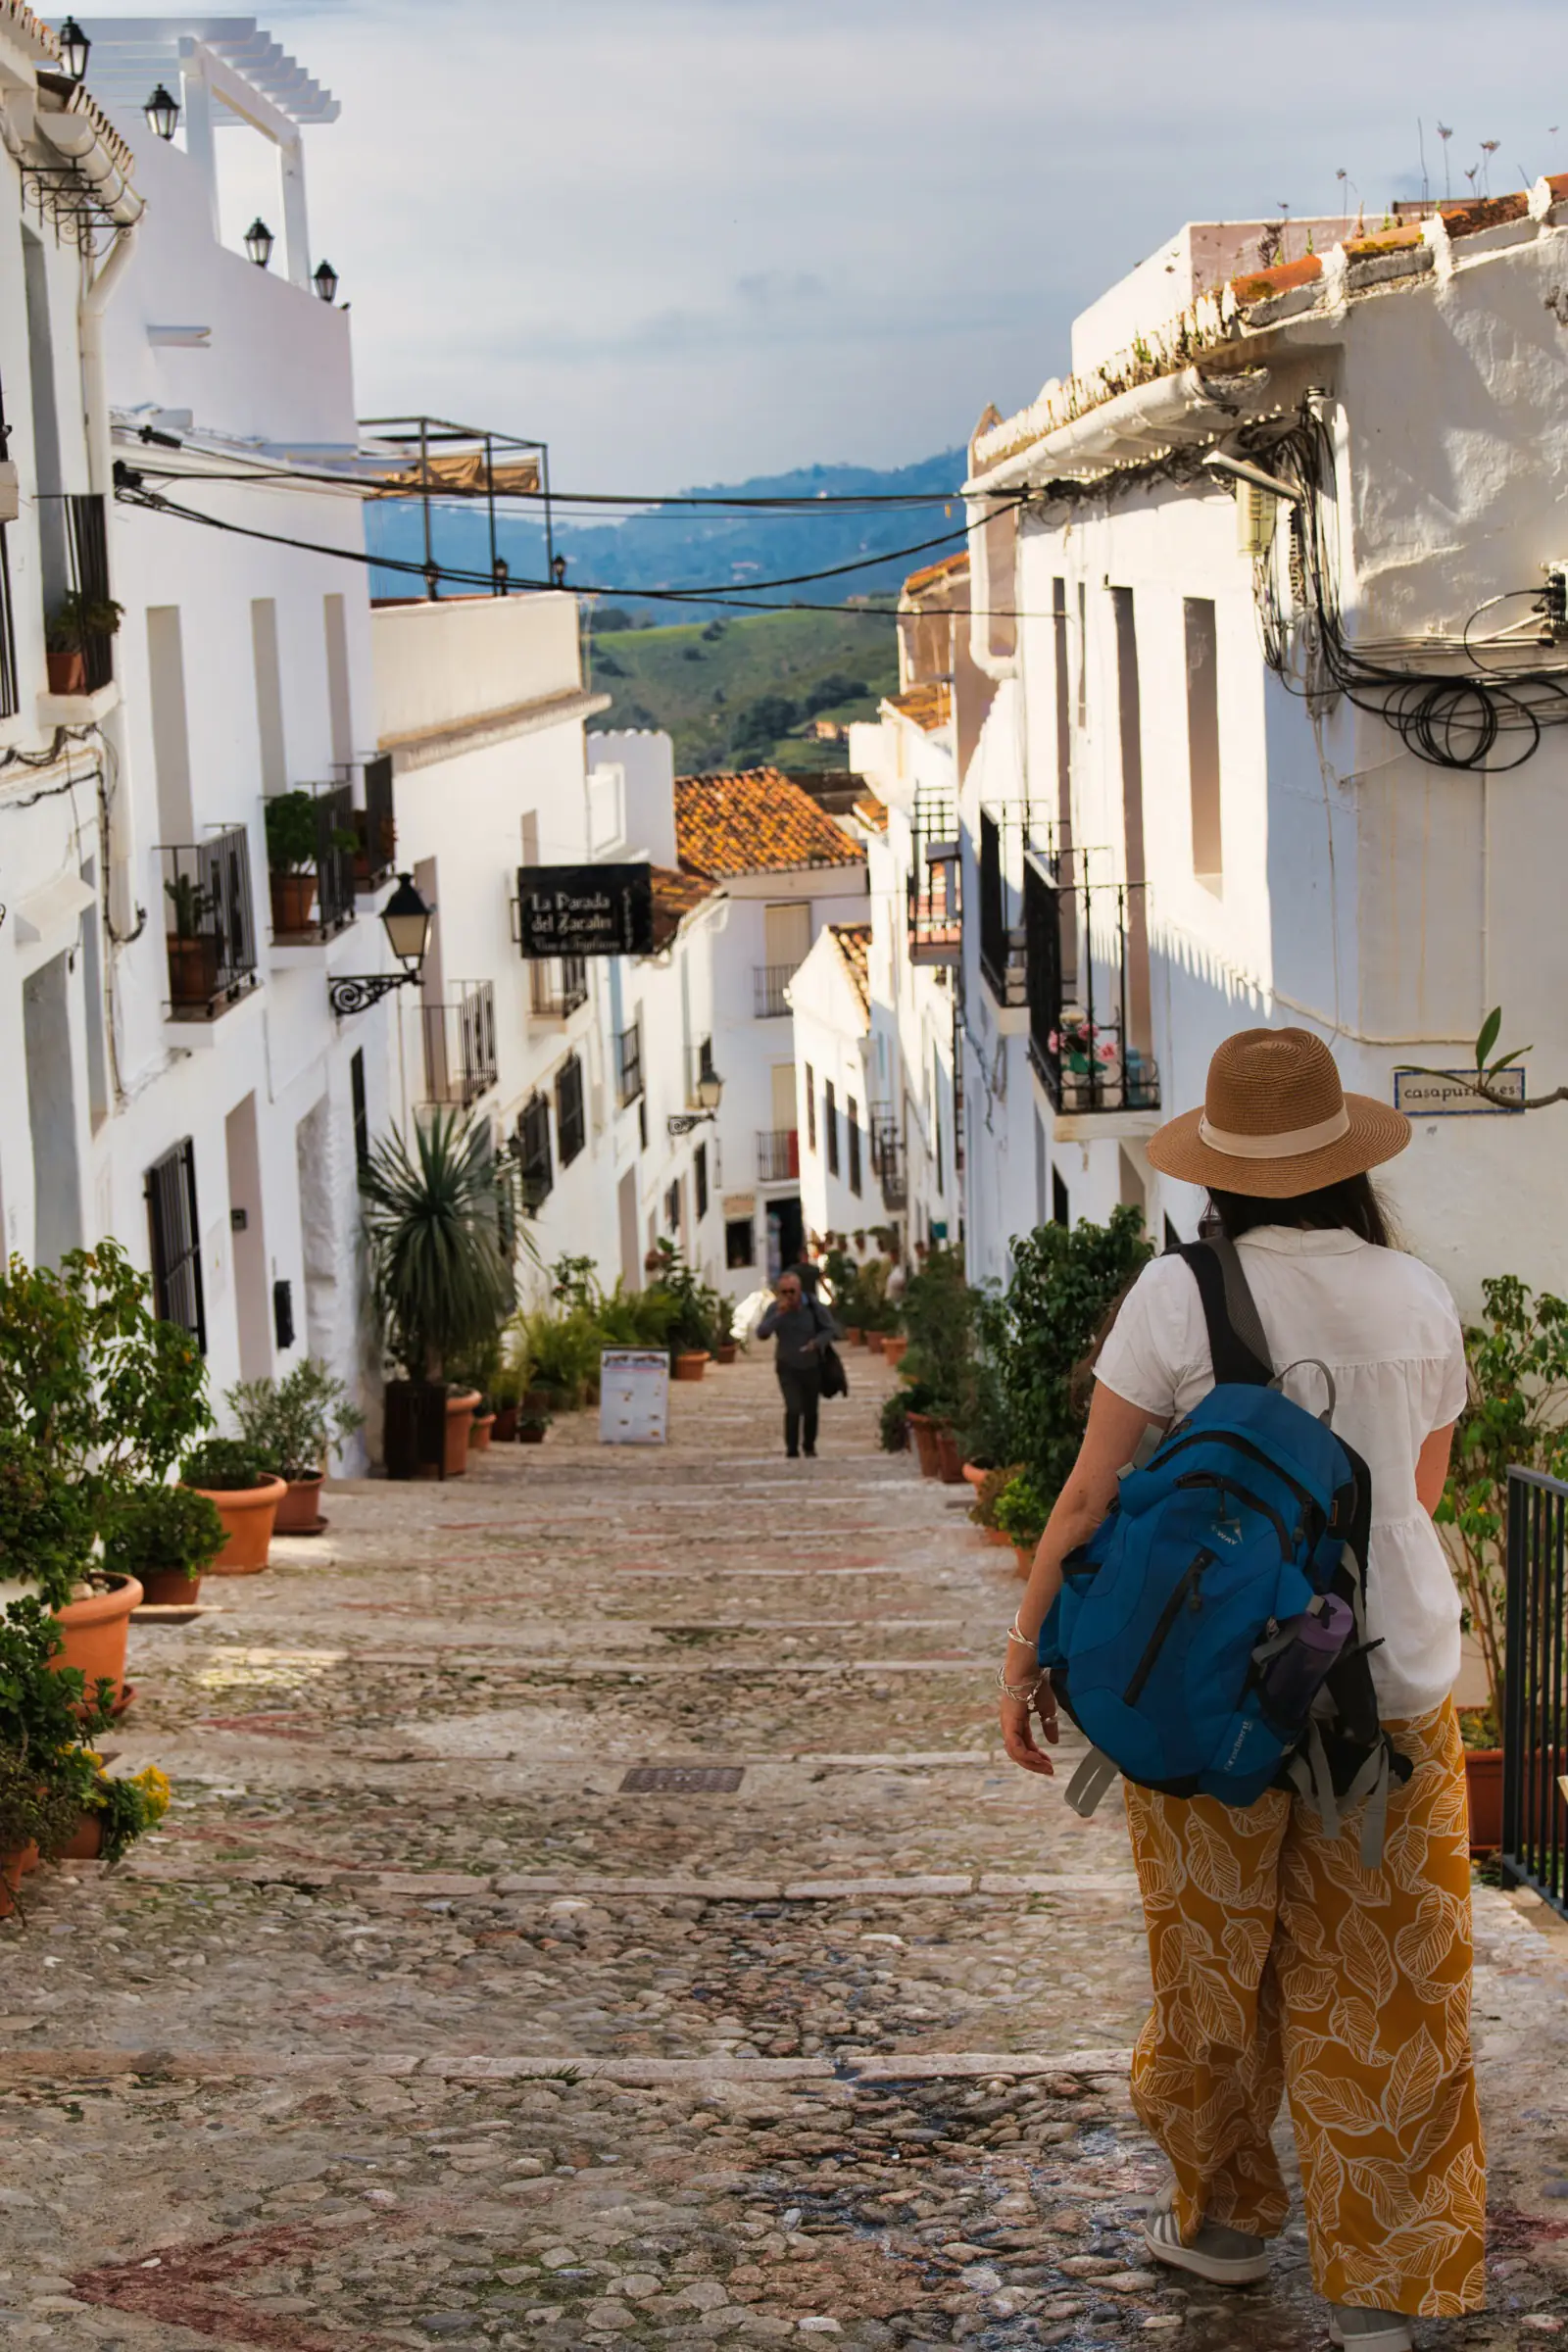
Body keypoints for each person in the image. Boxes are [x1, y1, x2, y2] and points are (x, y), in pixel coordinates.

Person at [997, 1028, 1481, 2352]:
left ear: (1223, 1167)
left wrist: (1026, 1649)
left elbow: (1093, 1494)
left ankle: (1223, 2223)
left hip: (1219, 1696)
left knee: (1211, 1973)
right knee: (1393, 1982)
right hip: (1387, 1690)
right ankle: (1388, 2285)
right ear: (1342, 1161)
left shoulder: (1174, 1298)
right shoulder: (1418, 1295)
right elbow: (1413, 1500)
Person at [758, 1269, 839, 1458]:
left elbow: (829, 1329)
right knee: (793, 1407)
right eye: (783, 1292)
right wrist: (778, 1315)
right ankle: (791, 1448)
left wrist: (816, 1343)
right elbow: (762, 1333)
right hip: (787, 1365)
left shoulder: (812, 1306)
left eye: (791, 1292)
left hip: (811, 1365)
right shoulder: (775, 1309)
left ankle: (809, 1445)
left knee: (811, 1408)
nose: (788, 1296)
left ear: (799, 1290)